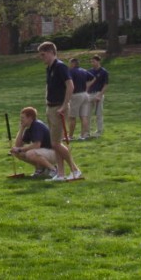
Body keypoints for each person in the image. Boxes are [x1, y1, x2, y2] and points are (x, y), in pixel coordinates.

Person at [37, 42, 82, 181]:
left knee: (56, 143)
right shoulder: (49, 68)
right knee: (54, 143)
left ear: (51, 52)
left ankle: (75, 170)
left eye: (43, 54)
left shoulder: (60, 66)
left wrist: (64, 105)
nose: (42, 58)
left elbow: (70, 86)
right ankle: (61, 174)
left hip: (59, 108)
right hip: (50, 107)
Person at [10, 107, 58, 178]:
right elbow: (18, 145)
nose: (21, 120)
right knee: (16, 152)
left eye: (23, 118)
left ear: (30, 118)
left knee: (30, 153)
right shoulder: (29, 128)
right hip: (44, 152)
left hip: (54, 153)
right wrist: (21, 129)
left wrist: (19, 149)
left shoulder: (37, 126)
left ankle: (53, 169)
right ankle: (40, 169)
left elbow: (36, 145)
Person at [67, 58, 94, 141]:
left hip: (76, 95)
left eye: (70, 63)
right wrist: (87, 86)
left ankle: (70, 136)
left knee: (72, 117)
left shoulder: (71, 71)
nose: (69, 65)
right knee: (84, 116)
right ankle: (83, 135)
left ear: (73, 63)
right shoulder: (84, 71)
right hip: (85, 94)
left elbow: (68, 83)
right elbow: (93, 78)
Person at [87, 55, 108, 137]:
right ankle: (87, 132)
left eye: (93, 61)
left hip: (98, 93)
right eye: (91, 61)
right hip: (89, 94)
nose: (92, 63)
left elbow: (105, 85)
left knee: (98, 114)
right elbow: (87, 83)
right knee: (87, 114)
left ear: (98, 61)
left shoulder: (103, 72)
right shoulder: (89, 71)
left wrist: (100, 95)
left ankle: (99, 131)